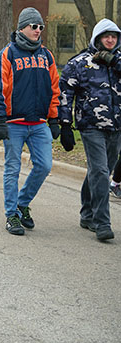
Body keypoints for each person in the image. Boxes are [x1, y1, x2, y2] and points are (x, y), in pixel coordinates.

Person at [0, 7, 60, 236]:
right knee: (13, 168)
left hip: (39, 123)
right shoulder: (7, 55)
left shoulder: (46, 55)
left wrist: (55, 118)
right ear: (22, 28)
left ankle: (22, 203)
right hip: (14, 123)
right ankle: (11, 215)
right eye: (34, 26)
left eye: (41, 27)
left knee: (45, 165)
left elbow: (55, 88)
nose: (38, 31)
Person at [59, 19, 121, 241]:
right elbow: (64, 94)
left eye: (114, 36)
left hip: (117, 126)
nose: (110, 40)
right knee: (101, 172)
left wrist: (117, 64)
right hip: (91, 125)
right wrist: (64, 124)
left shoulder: (119, 61)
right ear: (97, 38)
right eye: (106, 36)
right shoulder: (80, 63)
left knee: (100, 170)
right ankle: (101, 221)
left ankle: (86, 213)